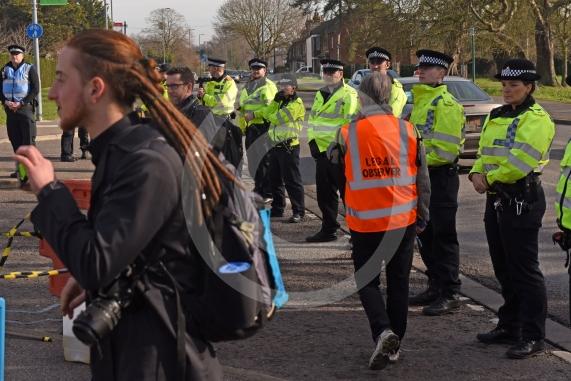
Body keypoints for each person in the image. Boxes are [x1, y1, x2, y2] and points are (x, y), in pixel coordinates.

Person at [14, 30, 223, 380]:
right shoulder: (120, 152)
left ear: (96, 89)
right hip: (137, 353)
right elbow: (129, 253)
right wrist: (101, 280)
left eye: (62, 79)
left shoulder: (145, 160)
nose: (51, 92)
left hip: (160, 361)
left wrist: (50, 190)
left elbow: (97, 261)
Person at [330, 72, 430, 370]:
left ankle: (383, 331)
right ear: (388, 98)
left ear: (361, 97)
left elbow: (336, 173)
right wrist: (423, 214)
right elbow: (422, 178)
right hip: (403, 218)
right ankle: (394, 344)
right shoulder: (409, 130)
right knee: (399, 283)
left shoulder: (347, 133)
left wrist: (347, 206)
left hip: (365, 222)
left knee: (367, 281)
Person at [470, 59, 554, 359]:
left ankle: (533, 335)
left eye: (513, 85)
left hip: (522, 199)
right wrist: (476, 173)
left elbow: (520, 162)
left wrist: (488, 178)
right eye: (504, 85)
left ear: (529, 87)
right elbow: (483, 152)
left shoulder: (537, 118)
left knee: (524, 270)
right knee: (503, 266)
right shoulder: (497, 115)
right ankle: (510, 325)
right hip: (496, 198)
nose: (506, 90)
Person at [408, 50, 465, 316]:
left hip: (439, 178)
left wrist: (414, 164)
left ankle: (451, 292)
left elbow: (445, 152)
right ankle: (435, 285)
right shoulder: (421, 101)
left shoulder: (447, 105)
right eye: (420, 67)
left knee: (443, 236)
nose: (420, 71)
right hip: (421, 179)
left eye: (427, 68)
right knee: (425, 234)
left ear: (442, 73)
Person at [306, 58, 359, 242]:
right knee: (325, 194)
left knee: (348, 195)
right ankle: (329, 229)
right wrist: (312, 141)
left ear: (340, 74)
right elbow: (313, 120)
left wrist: (339, 147)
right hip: (321, 151)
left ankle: (356, 232)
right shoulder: (321, 94)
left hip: (339, 152)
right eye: (325, 72)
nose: (328, 75)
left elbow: (350, 124)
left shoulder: (349, 94)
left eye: (332, 72)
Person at [248, 74, 305, 222]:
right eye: (282, 85)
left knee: (292, 180)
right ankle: (278, 208)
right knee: (275, 179)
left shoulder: (296, 104)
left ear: (294, 87)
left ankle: (298, 211)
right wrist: (274, 101)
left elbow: (276, 118)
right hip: (275, 145)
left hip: (289, 147)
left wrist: (272, 110)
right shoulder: (279, 101)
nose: (283, 88)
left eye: (287, 85)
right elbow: (267, 114)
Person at [237, 58, 277, 201]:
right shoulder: (249, 85)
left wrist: (254, 114)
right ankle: (258, 188)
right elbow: (245, 106)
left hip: (263, 127)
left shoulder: (269, 86)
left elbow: (271, 108)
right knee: (253, 160)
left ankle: (267, 192)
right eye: (253, 68)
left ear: (265, 71)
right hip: (250, 128)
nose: (255, 71)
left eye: (258, 69)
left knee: (264, 160)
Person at [1, 44, 38, 178]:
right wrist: (6, 101)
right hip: (10, 110)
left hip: (25, 109)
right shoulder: (4, 69)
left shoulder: (29, 68)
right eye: (12, 54)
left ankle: (31, 172)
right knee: (15, 141)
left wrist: (21, 102)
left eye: (17, 54)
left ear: (22, 55)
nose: (14, 56)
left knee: (28, 141)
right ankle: (22, 172)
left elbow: (35, 89)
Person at [165, 65, 218, 142]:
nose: (169, 91)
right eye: (168, 86)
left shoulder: (202, 115)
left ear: (189, 87)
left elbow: (208, 151)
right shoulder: (170, 113)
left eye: (174, 86)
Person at [364, 47, 407, 118]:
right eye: (372, 62)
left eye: (379, 62)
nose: (375, 66)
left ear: (387, 65)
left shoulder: (395, 89)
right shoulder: (365, 87)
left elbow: (389, 116)